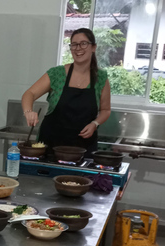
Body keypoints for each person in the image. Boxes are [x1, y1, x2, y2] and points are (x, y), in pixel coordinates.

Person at [21, 28, 111, 157]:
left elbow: (106, 110)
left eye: (83, 43)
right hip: (51, 145)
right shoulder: (57, 74)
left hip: (83, 148)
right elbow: (29, 94)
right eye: (74, 44)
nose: (78, 48)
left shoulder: (101, 78)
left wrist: (94, 124)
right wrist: (28, 111)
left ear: (93, 47)